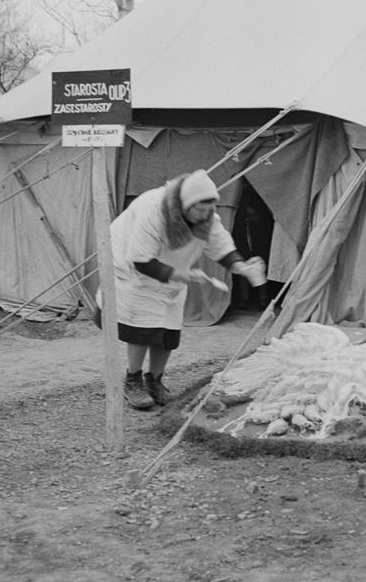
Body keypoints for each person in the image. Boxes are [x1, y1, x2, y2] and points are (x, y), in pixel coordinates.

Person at [106, 169, 266, 410]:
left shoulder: (207, 216)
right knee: (142, 327)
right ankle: (133, 380)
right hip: (134, 269)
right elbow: (140, 259)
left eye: (208, 210)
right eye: (199, 210)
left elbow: (221, 247)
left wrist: (242, 267)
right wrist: (176, 274)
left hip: (173, 269)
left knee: (168, 330)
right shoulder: (153, 209)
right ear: (184, 204)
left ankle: (155, 381)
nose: (204, 216)